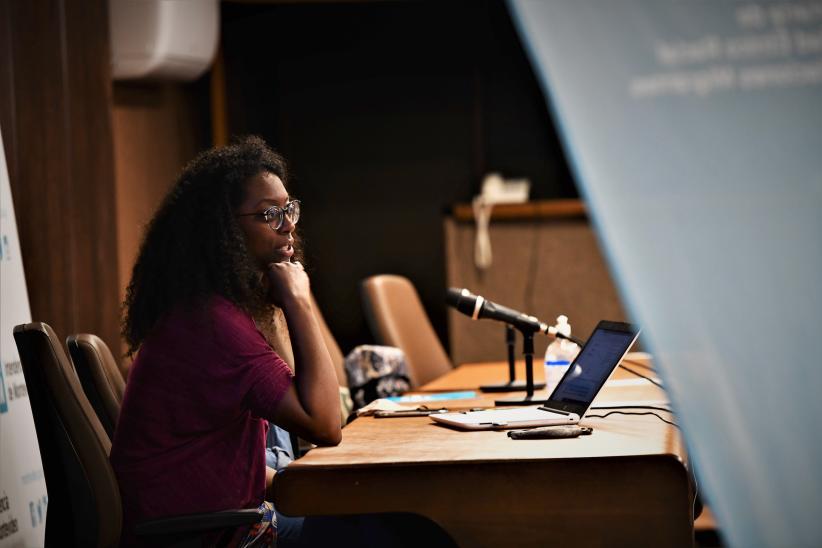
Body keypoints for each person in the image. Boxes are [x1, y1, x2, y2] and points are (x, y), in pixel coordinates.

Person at [112, 136, 341, 547]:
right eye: (268, 214)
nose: (288, 224)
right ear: (224, 231)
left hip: (209, 520)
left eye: (289, 209)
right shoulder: (213, 326)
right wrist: (298, 301)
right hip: (207, 534)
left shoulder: (207, 311)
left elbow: (220, 453)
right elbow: (325, 424)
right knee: (376, 527)